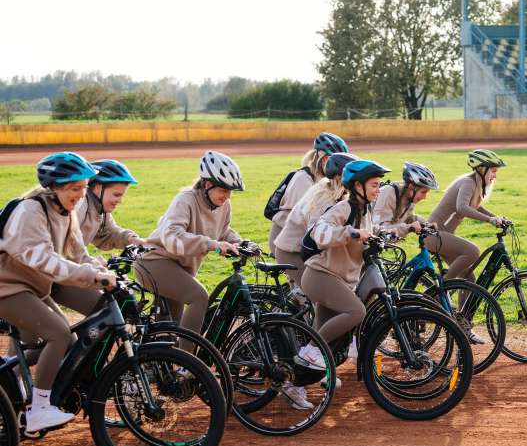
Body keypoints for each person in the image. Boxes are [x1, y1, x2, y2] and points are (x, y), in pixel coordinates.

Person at [0, 152, 115, 432]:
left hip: (31, 287)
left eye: (85, 187)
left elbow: (78, 253)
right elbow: (45, 260)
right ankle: (39, 409)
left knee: (64, 339)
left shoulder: (65, 212)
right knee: (59, 334)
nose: (81, 194)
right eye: (75, 188)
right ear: (56, 187)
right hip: (8, 288)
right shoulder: (30, 210)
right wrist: (91, 277)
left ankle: (9, 376)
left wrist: (100, 270)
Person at [297, 160, 387, 405]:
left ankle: (291, 381)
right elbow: (320, 232)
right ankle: (311, 351)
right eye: (375, 185)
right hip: (320, 276)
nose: (378, 190)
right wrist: (352, 233)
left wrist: (397, 231)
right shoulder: (344, 208)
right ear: (357, 185)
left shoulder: (365, 211)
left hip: (337, 279)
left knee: (328, 335)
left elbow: (373, 230)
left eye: (379, 185)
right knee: (356, 311)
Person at [134, 151, 244, 341]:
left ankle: (162, 363)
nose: (228, 196)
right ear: (208, 184)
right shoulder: (185, 200)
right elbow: (172, 237)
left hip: (178, 268)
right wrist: (212, 245)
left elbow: (222, 231)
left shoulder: (223, 206)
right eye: (224, 190)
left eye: (230, 191)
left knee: (169, 331)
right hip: (154, 263)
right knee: (199, 297)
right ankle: (188, 367)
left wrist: (240, 243)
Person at [50, 159, 146, 316]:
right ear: (98, 188)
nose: (119, 201)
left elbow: (108, 233)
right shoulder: (79, 205)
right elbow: (71, 244)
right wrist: (94, 264)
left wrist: (132, 239)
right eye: (116, 194)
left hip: (65, 272)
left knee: (105, 311)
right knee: (56, 332)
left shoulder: (99, 209)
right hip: (49, 273)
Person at [274, 152, 357, 290]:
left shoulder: (335, 193)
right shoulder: (324, 198)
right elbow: (315, 235)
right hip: (291, 251)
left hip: (303, 250)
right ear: (339, 178)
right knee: (318, 293)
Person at [426, 149, 506, 284]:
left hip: (442, 235)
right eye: (493, 171)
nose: (495, 176)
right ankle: (441, 288)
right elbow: (462, 207)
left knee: (469, 280)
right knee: (472, 251)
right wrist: (490, 220)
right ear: (482, 169)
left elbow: (474, 206)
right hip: (434, 234)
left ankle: (456, 303)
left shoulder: (476, 184)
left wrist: (496, 217)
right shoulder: (468, 182)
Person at [268, 132, 349, 255]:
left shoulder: (326, 180)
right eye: (332, 160)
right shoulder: (303, 179)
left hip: (307, 235)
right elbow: (309, 215)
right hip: (286, 239)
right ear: (322, 159)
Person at [372, 161, 438, 239]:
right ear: (411, 187)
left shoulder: (408, 196)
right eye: (423, 192)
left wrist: (424, 223)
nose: (424, 197)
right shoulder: (387, 193)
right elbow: (379, 229)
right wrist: (408, 228)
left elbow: (407, 217)